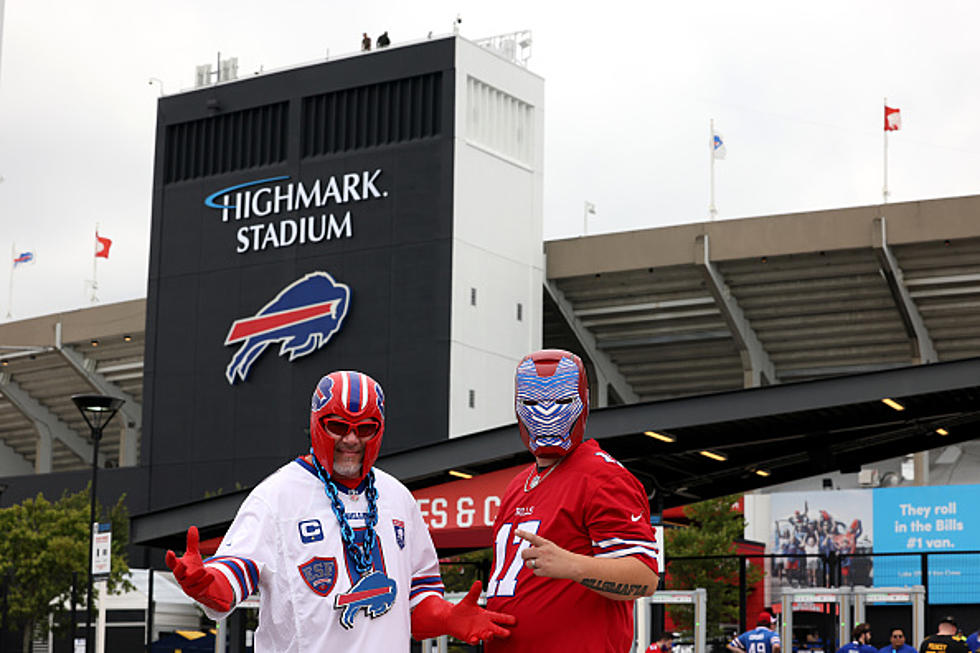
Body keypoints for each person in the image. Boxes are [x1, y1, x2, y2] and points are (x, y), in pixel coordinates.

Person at [166, 370, 515, 652]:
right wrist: (204, 583)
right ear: (316, 424)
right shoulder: (276, 496)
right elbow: (233, 577)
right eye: (337, 426)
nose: (351, 439)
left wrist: (448, 616)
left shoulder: (398, 498)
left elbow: (416, 603)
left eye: (365, 429)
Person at [484, 349, 660, 653]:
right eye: (533, 402)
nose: (546, 413)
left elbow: (644, 577)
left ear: (583, 403)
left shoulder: (602, 476)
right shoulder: (518, 483)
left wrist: (575, 566)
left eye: (561, 402)